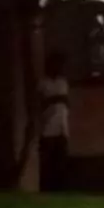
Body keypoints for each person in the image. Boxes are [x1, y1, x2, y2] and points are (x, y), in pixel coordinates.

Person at [36, 52, 72, 192]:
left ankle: (61, 187)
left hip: (62, 127)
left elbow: (67, 102)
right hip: (47, 128)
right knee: (47, 160)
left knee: (61, 160)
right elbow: (39, 103)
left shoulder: (63, 82)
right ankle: (46, 187)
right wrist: (54, 99)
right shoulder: (43, 83)